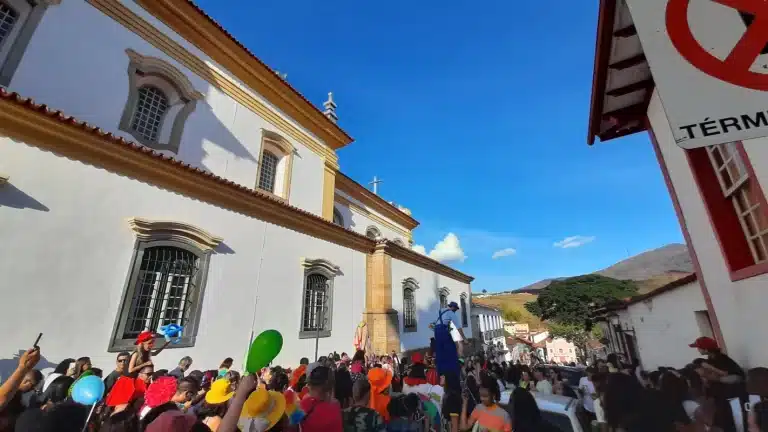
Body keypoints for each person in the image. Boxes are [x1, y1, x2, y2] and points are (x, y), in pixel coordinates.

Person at [430, 301, 466, 381]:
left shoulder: (440, 311)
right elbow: (458, 327)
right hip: (443, 332)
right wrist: (464, 338)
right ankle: (455, 376)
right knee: (452, 351)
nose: (455, 311)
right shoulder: (451, 313)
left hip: (437, 332)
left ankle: (440, 375)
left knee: (440, 354)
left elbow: (432, 324)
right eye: (455, 309)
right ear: (453, 307)